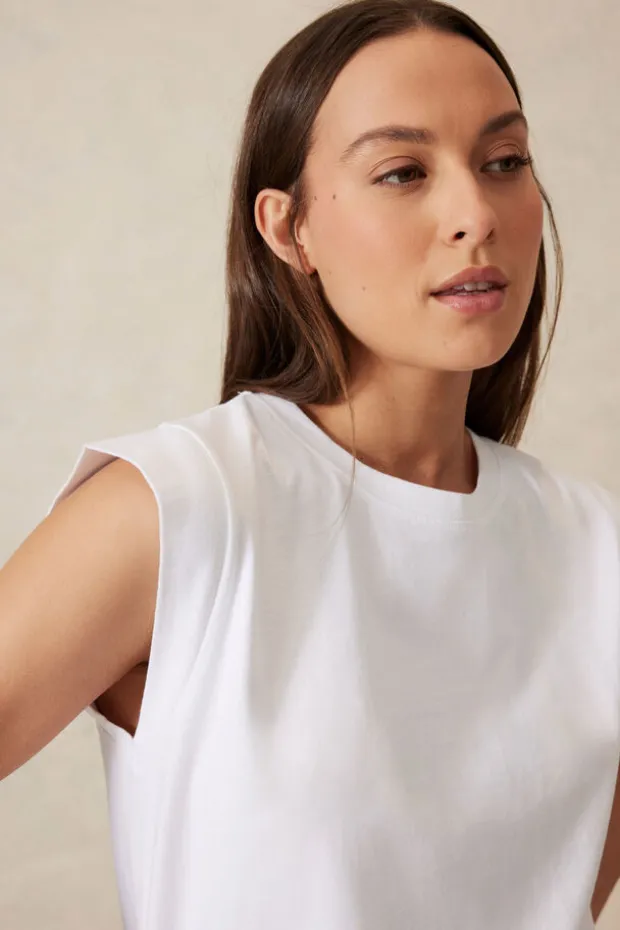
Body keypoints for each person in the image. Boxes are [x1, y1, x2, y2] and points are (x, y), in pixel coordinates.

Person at [1, 0, 619, 927]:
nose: (475, 215)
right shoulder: (180, 509)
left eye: (504, 161)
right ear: (288, 231)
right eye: (403, 172)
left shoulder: (597, 554)